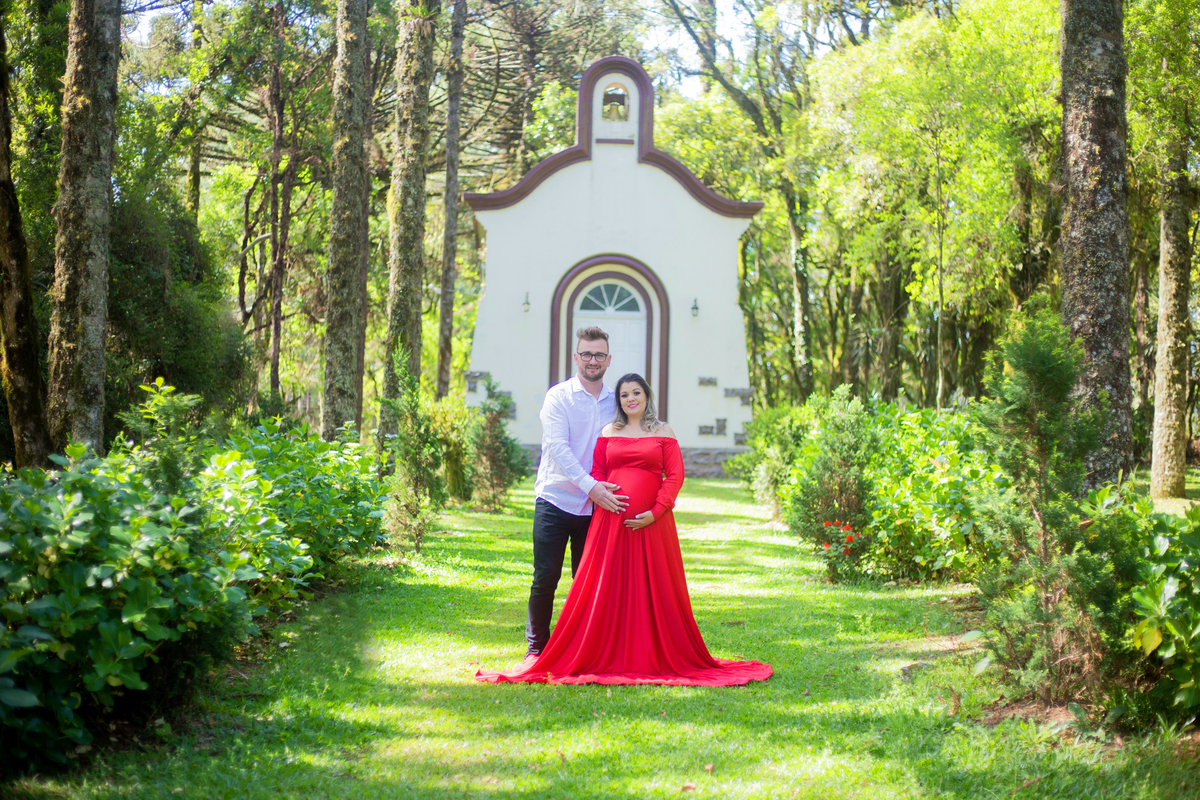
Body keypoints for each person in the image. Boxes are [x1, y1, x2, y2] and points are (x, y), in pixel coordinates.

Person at [477, 373, 773, 686]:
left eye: (635, 393)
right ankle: (589, 648)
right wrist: (606, 497)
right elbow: (598, 471)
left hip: (653, 525)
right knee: (606, 585)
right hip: (610, 521)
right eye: (623, 395)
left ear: (646, 395)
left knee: (652, 585)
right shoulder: (609, 430)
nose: (630, 399)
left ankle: (649, 650)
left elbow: (674, 476)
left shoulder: (663, 430)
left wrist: (656, 512)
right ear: (619, 402)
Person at [521, 326, 628, 662]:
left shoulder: (617, 402)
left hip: (597, 508)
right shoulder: (558, 396)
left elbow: (626, 446)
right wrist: (591, 486)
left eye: (598, 354)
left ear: (608, 360)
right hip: (555, 500)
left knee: (590, 583)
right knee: (545, 579)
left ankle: (584, 649)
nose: (592, 360)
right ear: (576, 357)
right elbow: (558, 448)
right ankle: (536, 649)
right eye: (586, 354)